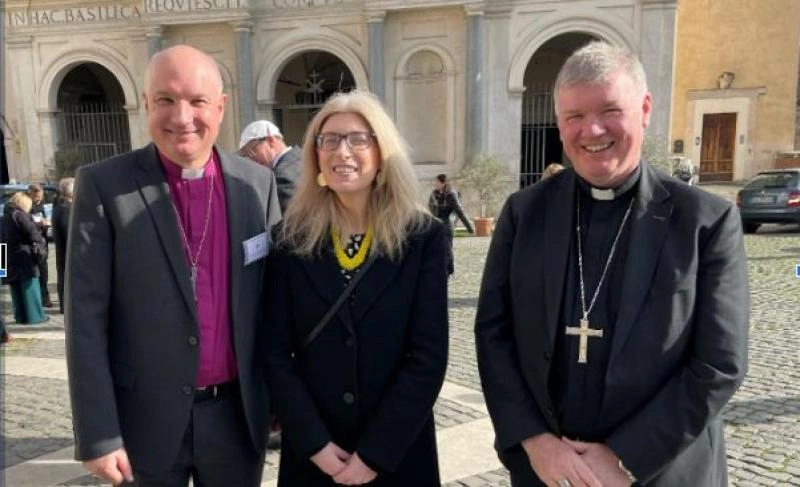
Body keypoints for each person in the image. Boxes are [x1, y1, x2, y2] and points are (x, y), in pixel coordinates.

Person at [475, 41, 749, 487]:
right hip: (547, 470)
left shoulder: (705, 221)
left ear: (644, 108)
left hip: (661, 471)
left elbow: (719, 364)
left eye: (608, 110)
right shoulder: (524, 214)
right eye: (574, 117)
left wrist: (623, 459)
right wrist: (535, 441)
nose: (592, 130)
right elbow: (493, 334)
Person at [65, 45, 281, 486]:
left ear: (220, 107)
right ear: (146, 104)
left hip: (236, 419)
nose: (182, 117)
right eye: (165, 99)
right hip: (143, 423)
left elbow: (273, 305)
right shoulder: (104, 185)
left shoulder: (256, 184)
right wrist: (99, 435)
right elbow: (85, 319)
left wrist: (277, 399)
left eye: (197, 101)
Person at [265, 90, 449, 486]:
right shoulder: (289, 240)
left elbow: (428, 356)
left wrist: (375, 454)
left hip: (397, 454)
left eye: (357, 139)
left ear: (381, 152)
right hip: (314, 455)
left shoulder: (423, 238)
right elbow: (276, 352)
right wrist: (314, 444)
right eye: (328, 140)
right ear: (315, 156)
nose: (341, 151)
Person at [1, 192, 48, 324]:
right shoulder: (20, 215)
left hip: (4, 255)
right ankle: (35, 317)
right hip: (22, 256)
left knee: (14, 287)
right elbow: (32, 233)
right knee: (30, 286)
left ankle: (20, 317)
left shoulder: (3, 217)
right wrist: (40, 240)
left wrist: (1, 269)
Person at [239, 120, 302, 213]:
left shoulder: (281, 177)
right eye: (246, 155)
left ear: (270, 140)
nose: (251, 159)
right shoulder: (303, 158)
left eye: (252, 151)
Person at [428, 173, 474, 275]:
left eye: (436, 182)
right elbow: (430, 209)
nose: (435, 184)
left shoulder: (451, 194)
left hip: (446, 224)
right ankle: (441, 269)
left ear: (443, 183)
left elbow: (459, 211)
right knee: (437, 248)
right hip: (436, 224)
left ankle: (449, 270)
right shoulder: (434, 194)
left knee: (447, 248)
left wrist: (469, 227)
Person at [52, 177, 74, 314]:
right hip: (67, 251)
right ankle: (67, 307)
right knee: (67, 278)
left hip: (63, 251)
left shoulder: (60, 206)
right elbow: (69, 232)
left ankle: (65, 306)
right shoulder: (66, 208)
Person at [28, 184, 52, 308]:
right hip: (31, 243)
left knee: (44, 270)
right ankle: (38, 298)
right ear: (30, 194)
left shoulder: (42, 206)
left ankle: (45, 296)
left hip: (42, 242)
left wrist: (47, 223)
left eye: (40, 196)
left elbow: (47, 218)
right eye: (36, 196)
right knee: (35, 270)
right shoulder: (26, 206)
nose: (38, 199)